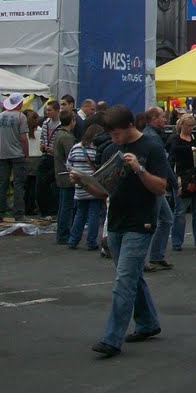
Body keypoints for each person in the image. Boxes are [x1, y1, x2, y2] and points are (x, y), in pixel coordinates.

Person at [79, 106, 172, 358]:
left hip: (141, 223)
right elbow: (105, 191)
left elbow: (161, 188)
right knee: (131, 277)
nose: (114, 139)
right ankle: (148, 322)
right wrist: (85, 183)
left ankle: (112, 338)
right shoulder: (112, 150)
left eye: (117, 134)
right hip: (117, 221)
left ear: (130, 126)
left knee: (124, 280)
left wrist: (139, 170)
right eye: (111, 135)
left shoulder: (151, 147)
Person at [169, 113, 196, 252]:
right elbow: (173, 151)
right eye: (188, 125)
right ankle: (177, 242)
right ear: (181, 125)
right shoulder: (174, 139)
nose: (191, 128)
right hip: (183, 177)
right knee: (180, 212)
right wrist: (192, 150)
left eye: (192, 126)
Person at [142, 106, 175, 272]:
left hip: (156, 183)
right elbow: (162, 163)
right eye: (162, 117)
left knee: (167, 219)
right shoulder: (152, 137)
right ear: (154, 118)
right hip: (154, 184)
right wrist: (173, 181)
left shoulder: (153, 135)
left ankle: (156, 256)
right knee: (151, 223)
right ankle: (145, 259)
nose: (165, 119)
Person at [0, 93, 30, 223]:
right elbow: (24, 138)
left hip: (3, 154)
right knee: (19, 184)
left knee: (2, 184)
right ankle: (18, 214)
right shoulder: (21, 117)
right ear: (19, 104)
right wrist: (26, 154)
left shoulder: (0, 116)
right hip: (18, 154)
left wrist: (5, 137)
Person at [67, 125, 106, 251]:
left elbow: (68, 165)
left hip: (79, 185)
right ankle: (91, 242)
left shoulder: (76, 147)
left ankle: (73, 240)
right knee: (94, 214)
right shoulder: (97, 150)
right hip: (93, 186)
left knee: (80, 213)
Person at [52, 109, 77, 244]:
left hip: (60, 173)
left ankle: (62, 234)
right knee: (67, 206)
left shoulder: (59, 134)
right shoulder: (67, 137)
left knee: (63, 206)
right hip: (66, 175)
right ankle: (63, 235)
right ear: (72, 120)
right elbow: (71, 157)